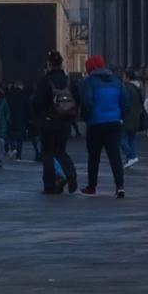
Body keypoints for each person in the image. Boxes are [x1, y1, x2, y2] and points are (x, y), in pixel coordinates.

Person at [32, 52, 82, 195]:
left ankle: (50, 185)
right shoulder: (69, 81)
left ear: (49, 64)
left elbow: (37, 103)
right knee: (61, 151)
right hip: (65, 122)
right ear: (62, 64)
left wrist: (39, 116)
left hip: (48, 122)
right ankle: (71, 174)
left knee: (48, 153)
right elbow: (77, 99)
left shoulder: (45, 81)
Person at [78, 55, 128, 198]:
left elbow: (87, 102)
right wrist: (119, 116)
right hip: (113, 123)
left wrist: (87, 118)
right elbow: (125, 102)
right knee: (115, 156)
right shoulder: (117, 81)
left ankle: (92, 187)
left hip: (96, 124)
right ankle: (120, 186)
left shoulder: (90, 82)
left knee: (94, 157)